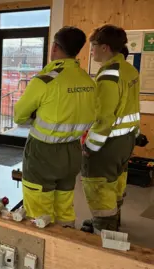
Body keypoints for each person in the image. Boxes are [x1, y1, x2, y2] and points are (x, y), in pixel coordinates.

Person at [14, 27, 96, 227]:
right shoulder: (88, 80)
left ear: (54, 48)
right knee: (64, 206)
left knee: (38, 209)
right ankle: (65, 239)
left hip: (43, 153)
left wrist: (34, 116)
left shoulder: (45, 81)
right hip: (72, 151)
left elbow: (18, 115)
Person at [81, 25, 140, 234]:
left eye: (94, 46)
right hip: (126, 140)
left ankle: (104, 231)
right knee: (116, 182)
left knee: (98, 185)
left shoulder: (108, 75)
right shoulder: (129, 69)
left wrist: (90, 146)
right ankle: (113, 221)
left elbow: (104, 118)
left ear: (105, 47)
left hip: (108, 144)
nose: (92, 51)